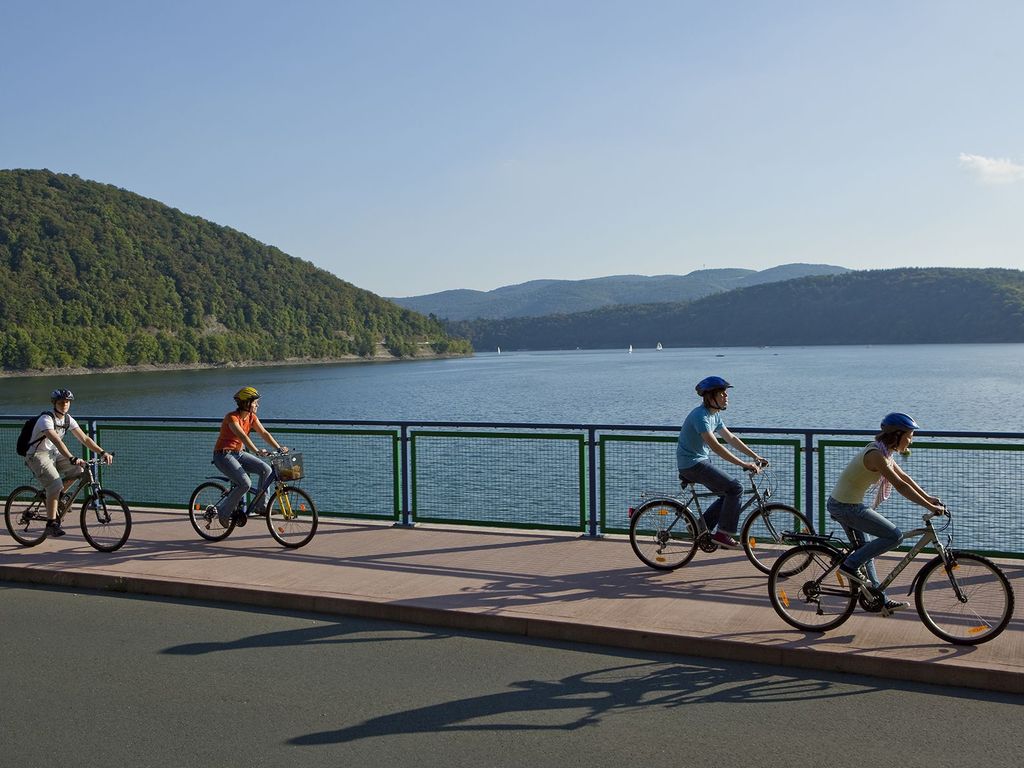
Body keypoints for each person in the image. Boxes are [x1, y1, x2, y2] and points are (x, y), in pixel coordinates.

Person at [827, 412, 945, 615]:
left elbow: (904, 477)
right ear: (897, 435)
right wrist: (929, 507)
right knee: (894, 536)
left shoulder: (884, 452)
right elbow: (900, 486)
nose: (911, 441)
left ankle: (879, 600)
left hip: (848, 504)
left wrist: (928, 497)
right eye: (909, 436)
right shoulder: (876, 455)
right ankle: (849, 566)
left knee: (867, 552)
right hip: (845, 507)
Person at [677, 376, 768, 549]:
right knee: (735, 488)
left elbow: (731, 438)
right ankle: (723, 534)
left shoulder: (714, 415)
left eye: (726, 393)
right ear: (711, 397)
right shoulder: (700, 416)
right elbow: (716, 447)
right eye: (722, 394)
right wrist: (744, 464)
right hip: (691, 464)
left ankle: (699, 526)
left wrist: (755, 456)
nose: (726, 396)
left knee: (728, 494)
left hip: (699, 461)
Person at [23, 388, 114, 538]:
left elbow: (84, 438)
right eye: (61, 402)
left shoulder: (67, 419)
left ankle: (57, 496)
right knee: (55, 484)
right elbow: (57, 441)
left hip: (53, 453)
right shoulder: (46, 419)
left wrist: (102, 452)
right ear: (54, 403)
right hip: (37, 455)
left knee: (78, 470)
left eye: (67, 402)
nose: (65, 405)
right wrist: (72, 457)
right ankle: (51, 524)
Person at [211, 387, 289, 527]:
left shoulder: (252, 417)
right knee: (245, 484)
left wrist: (278, 448)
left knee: (266, 470)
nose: (257, 405)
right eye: (255, 402)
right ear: (246, 403)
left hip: (238, 453)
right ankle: (223, 512)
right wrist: (256, 451)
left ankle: (261, 507)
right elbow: (242, 436)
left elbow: (264, 433)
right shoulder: (232, 418)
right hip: (223, 455)